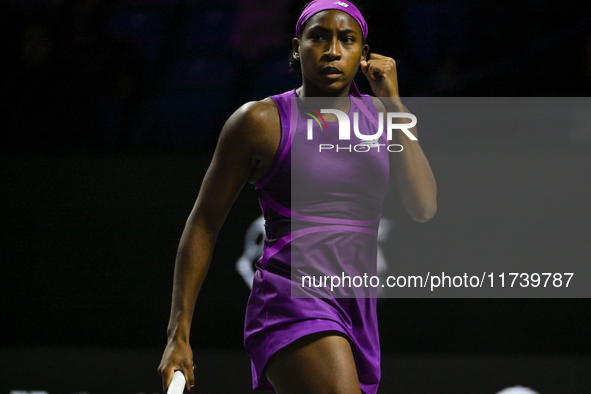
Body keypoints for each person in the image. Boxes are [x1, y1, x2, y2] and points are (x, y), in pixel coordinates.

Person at [158, 1, 437, 393]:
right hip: (292, 299)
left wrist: (394, 103)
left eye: (347, 39)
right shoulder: (259, 122)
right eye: (319, 37)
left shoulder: (382, 116)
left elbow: (423, 206)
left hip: (357, 308)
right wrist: (178, 333)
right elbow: (204, 222)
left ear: (364, 55)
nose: (332, 50)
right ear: (296, 47)